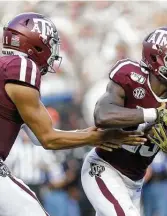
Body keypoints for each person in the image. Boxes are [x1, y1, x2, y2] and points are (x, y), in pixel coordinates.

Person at [0, 12, 146, 216]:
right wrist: (99, 136)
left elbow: (40, 138)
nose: (52, 52)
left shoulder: (6, 68)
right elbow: (48, 139)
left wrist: (88, 134)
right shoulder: (22, 66)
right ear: (35, 44)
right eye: (49, 44)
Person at [81, 26, 167, 216]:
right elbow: (102, 116)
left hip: (136, 182)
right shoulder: (131, 76)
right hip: (103, 168)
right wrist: (154, 114)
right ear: (156, 59)